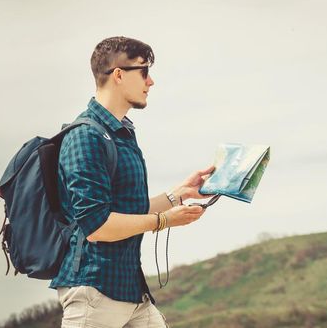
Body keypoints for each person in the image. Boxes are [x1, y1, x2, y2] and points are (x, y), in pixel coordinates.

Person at [49, 36, 214, 328]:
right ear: (119, 75)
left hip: (131, 291)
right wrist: (164, 220)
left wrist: (179, 194)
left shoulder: (121, 133)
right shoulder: (85, 136)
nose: (151, 82)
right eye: (144, 71)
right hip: (94, 292)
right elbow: (97, 226)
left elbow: (128, 209)